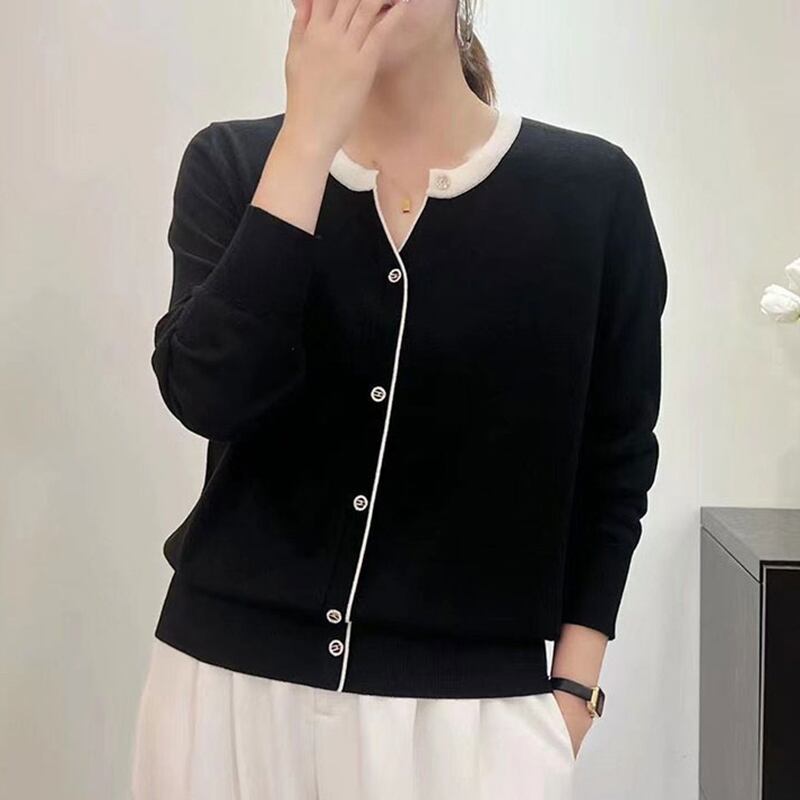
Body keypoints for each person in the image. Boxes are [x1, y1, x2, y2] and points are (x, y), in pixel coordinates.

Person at [130, 0, 668, 798]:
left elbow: (615, 461)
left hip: (473, 727)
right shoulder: (236, 164)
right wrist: (308, 140)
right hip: (226, 703)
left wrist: (573, 695)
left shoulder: (592, 194)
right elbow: (211, 393)